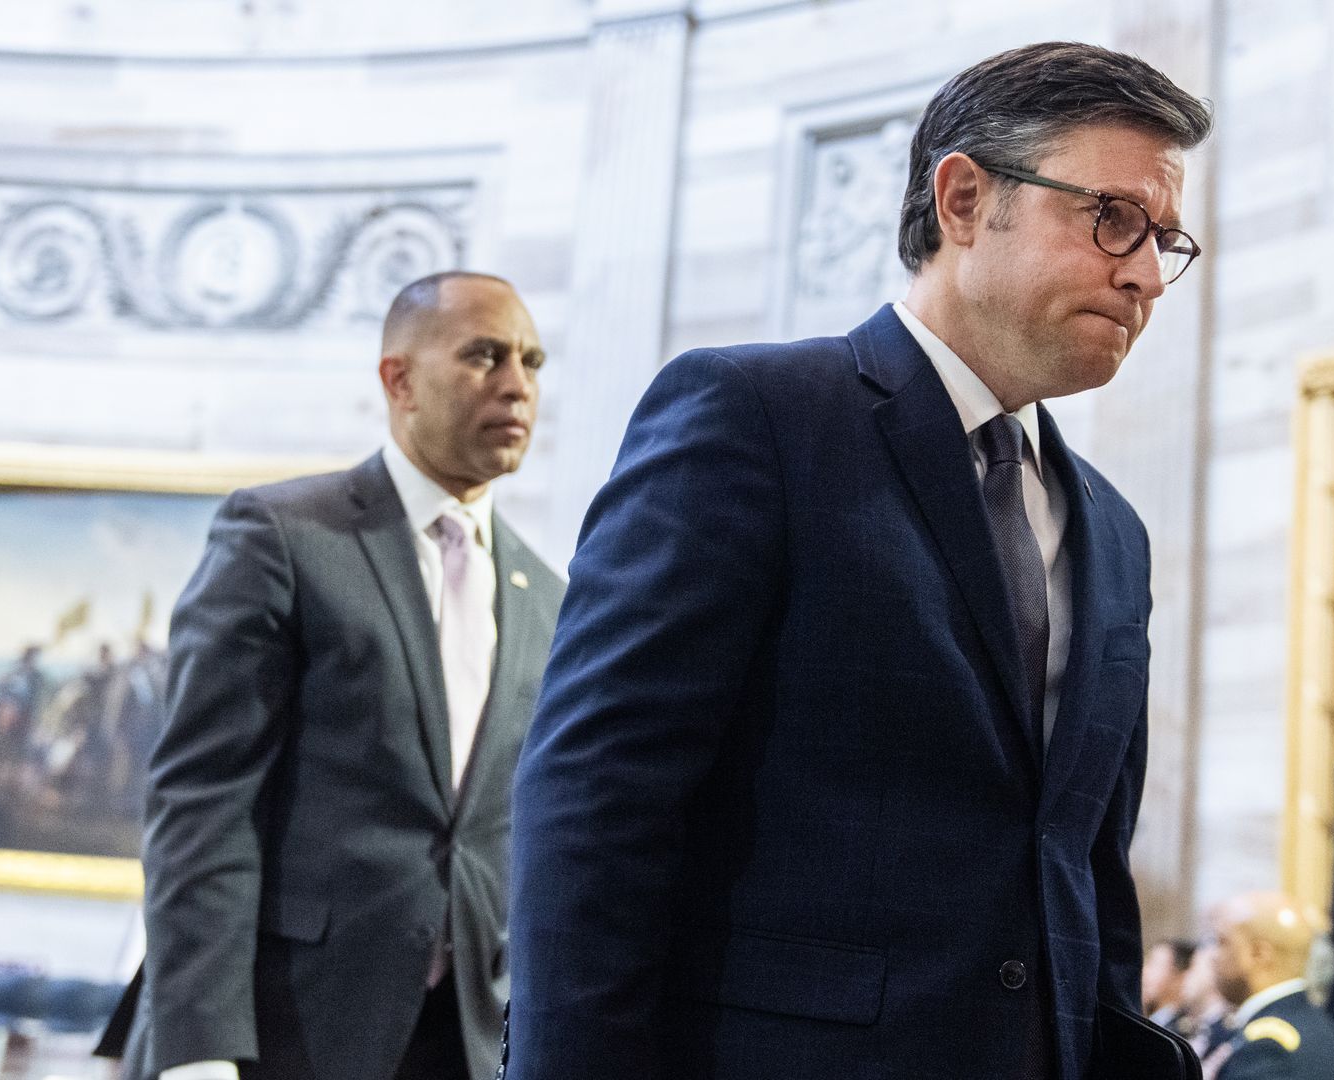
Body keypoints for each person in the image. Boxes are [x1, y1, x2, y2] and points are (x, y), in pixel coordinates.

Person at [506, 41, 1212, 1080]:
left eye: (1165, 239)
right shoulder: (755, 417)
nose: (1146, 272)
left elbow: (1084, 870)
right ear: (965, 199)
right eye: (1111, 219)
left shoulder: (1115, 531)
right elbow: (597, 796)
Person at [96, 271, 564, 1080]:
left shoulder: (548, 594)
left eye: (531, 360)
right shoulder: (280, 535)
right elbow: (203, 802)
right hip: (277, 1032)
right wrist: (200, 1049)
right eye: (485, 356)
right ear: (399, 379)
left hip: (463, 1045)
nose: (517, 385)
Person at [1204, 892, 1334, 1080]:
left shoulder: (1267, 1046)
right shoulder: (1310, 1023)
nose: (1212, 955)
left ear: (1259, 954)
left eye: (1222, 942)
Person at [1145, 939, 1198, 1028]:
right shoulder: (1151, 1021)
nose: (1145, 971)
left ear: (1180, 978)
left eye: (1155, 965)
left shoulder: (1181, 1032)